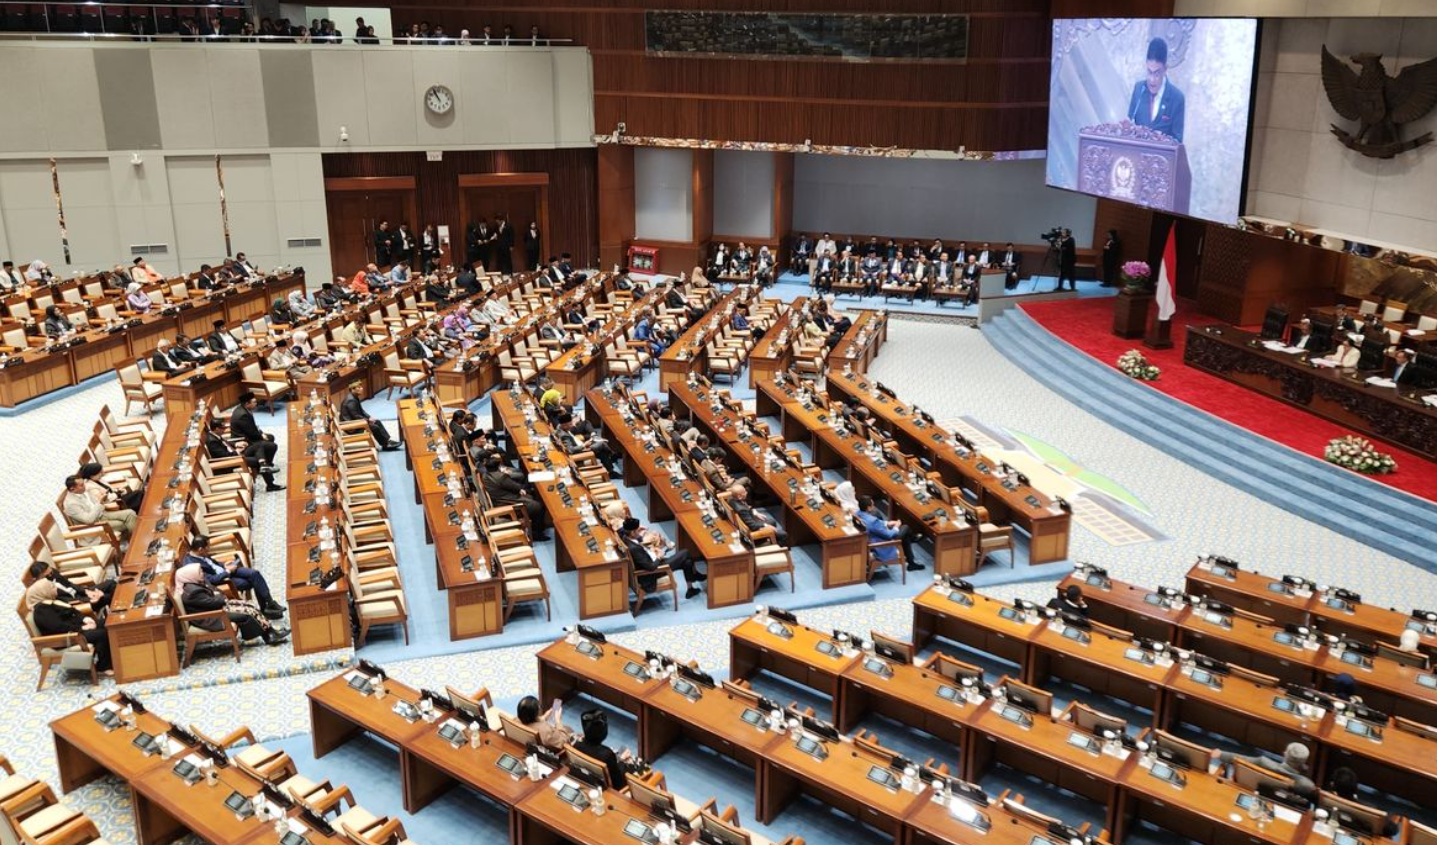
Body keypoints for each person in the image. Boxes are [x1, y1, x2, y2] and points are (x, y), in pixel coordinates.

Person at [174, 563, 289, 646]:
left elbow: (216, 592)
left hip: (217, 609)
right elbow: (213, 602)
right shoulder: (193, 592)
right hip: (211, 617)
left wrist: (219, 596)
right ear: (191, 575)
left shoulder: (196, 582)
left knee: (249, 605)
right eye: (199, 572)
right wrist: (221, 597)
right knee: (248, 612)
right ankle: (269, 635)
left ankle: (270, 633)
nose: (202, 573)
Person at [26, 571, 112, 674]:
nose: (55, 588)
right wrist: (82, 628)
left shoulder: (52, 600)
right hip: (66, 637)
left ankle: (114, 655)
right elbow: (59, 628)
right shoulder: (41, 611)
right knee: (101, 634)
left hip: (75, 627)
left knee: (108, 623)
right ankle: (103, 667)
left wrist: (84, 619)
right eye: (52, 587)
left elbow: (72, 611)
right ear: (43, 592)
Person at [183, 534, 285, 620]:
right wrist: (227, 571)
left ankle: (270, 603)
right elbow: (211, 580)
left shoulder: (199, 554)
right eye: (208, 548)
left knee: (254, 574)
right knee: (252, 582)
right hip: (223, 579)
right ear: (200, 549)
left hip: (225, 570)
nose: (209, 549)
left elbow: (212, 563)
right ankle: (265, 609)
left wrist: (224, 565)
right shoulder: (193, 566)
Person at [619, 517, 705, 598]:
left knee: (687, 562)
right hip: (652, 573)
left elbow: (628, 534)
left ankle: (690, 589)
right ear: (632, 532)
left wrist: (652, 549)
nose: (639, 532)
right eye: (637, 531)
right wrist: (659, 557)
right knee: (685, 552)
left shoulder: (625, 538)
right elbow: (651, 567)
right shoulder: (634, 548)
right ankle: (695, 575)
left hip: (651, 560)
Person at [1126, 37, 1185, 142]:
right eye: (1149, 72)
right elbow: (1129, 128)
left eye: (1157, 74)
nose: (1152, 80)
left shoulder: (1177, 98)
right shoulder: (1139, 89)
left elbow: (1177, 142)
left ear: (1165, 69)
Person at [482, 454, 549, 539]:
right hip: (509, 503)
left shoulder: (485, 475)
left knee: (531, 495)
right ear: (498, 466)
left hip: (500, 500)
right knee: (539, 506)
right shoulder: (501, 477)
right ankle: (536, 533)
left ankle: (537, 527)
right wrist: (506, 474)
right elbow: (517, 487)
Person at [1214, 742, 1314, 796]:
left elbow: (1240, 760)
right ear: (1304, 762)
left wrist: (1221, 754)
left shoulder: (1263, 762)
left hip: (1246, 790)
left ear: (1284, 754)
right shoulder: (1305, 784)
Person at [230, 392, 284, 491]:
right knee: (271, 445)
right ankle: (265, 468)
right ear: (247, 403)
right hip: (245, 442)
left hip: (248, 438)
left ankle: (266, 465)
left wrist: (261, 433)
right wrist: (261, 436)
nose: (256, 404)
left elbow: (252, 428)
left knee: (270, 438)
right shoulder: (242, 415)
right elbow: (251, 433)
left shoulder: (243, 409)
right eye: (254, 402)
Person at [62, 474, 136, 544]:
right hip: (94, 525)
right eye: (81, 485)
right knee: (123, 524)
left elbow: (97, 503)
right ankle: (133, 543)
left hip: (102, 514)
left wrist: (104, 498)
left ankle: (132, 540)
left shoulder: (82, 491)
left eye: (83, 483)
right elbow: (89, 520)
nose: (85, 486)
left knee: (130, 513)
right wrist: (100, 503)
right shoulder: (71, 504)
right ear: (72, 489)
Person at [855, 495, 922, 572]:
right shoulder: (872, 521)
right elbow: (888, 535)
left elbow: (877, 523)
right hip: (881, 544)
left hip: (872, 539)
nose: (874, 506)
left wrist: (887, 523)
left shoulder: (858, 513)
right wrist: (896, 527)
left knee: (905, 535)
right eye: (873, 505)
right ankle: (912, 544)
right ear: (868, 508)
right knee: (905, 528)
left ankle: (911, 559)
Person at [572, 709, 631, 789]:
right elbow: (618, 783)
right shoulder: (607, 754)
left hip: (586, 780)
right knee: (631, 764)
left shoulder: (576, 746)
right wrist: (621, 761)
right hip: (607, 788)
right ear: (604, 733)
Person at [340, 381, 400, 451]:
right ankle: (385, 445)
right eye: (358, 387)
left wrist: (369, 417)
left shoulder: (354, 397)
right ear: (352, 389)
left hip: (356, 421)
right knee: (375, 428)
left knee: (377, 422)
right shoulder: (351, 401)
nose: (362, 388)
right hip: (352, 427)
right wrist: (368, 420)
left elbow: (361, 411)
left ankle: (387, 441)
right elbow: (356, 416)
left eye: (361, 387)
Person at [78, 461, 143, 512]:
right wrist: (117, 493)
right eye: (100, 473)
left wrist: (118, 491)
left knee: (138, 494)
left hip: (116, 498)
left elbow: (110, 489)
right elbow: (104, 500)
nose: (103, 474)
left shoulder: (98, 479)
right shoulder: (90, 487)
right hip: (113, 504)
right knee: (138, 494)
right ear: (92, 476)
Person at [1056, 228, 1077, 292]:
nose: (1062, 233)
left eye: (1064, 232)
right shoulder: (1061, 239)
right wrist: (1058, 242)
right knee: (1062, 274)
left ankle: (1072, 288)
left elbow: (1064, 246)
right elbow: (1058, 247)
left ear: (1068, 233)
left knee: (1071, 275)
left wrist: (1059, 243)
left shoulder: (1071, 239)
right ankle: (1060, 287)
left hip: (1070, 260)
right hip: (1063, 260)